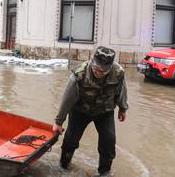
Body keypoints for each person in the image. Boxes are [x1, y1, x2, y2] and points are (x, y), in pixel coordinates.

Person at [53, 46, 128, 176]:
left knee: (109, 141)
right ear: (92, 62)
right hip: (80, 111)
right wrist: (59, 122)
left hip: (105, 112)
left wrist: (123, 108)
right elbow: (67, 99)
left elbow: (121, 91)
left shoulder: (118, 72)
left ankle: (104, 172)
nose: (98, 72)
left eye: (103, 71)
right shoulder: (79, 74)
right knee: (71, 140)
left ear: (110, 68)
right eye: (96, 68)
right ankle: (63, 166)